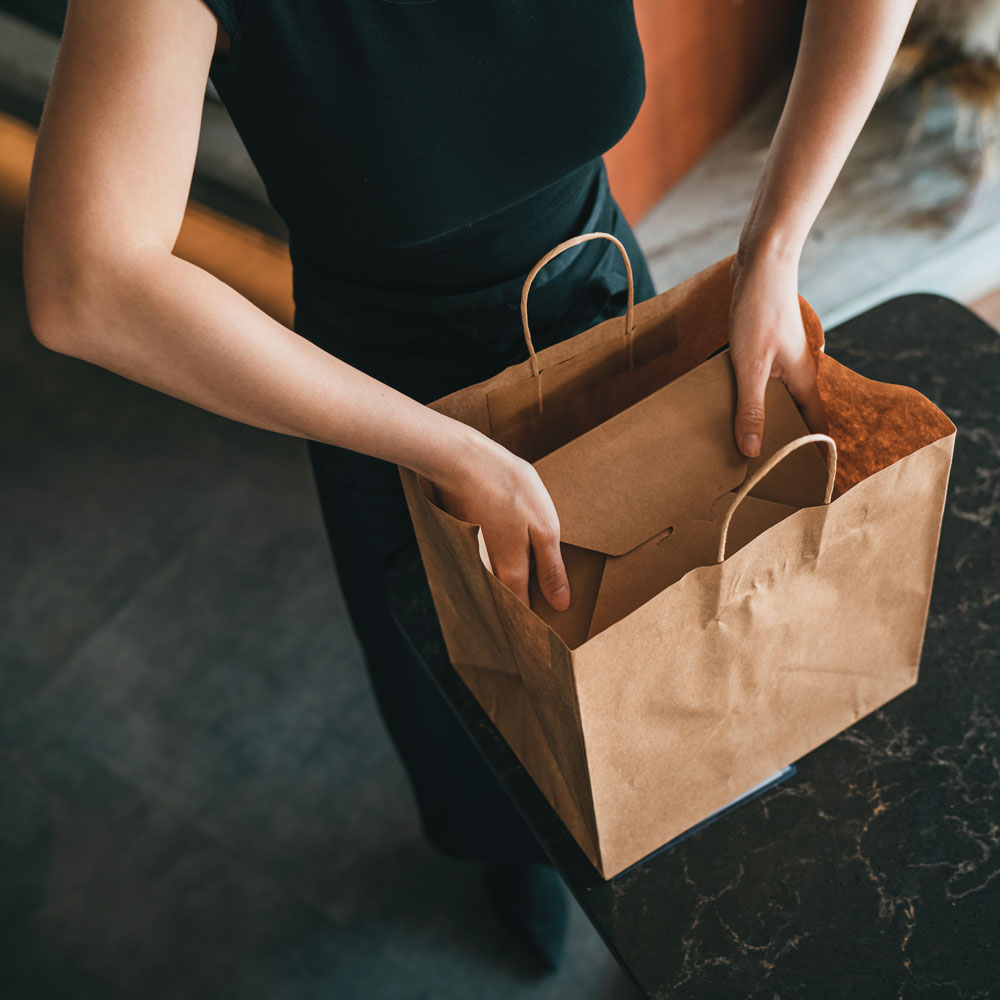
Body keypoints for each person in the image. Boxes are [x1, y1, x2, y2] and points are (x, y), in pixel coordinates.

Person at [22, 0, 918, 975]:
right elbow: (85, 281)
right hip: (393, 402)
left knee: (683, 667)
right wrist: (439, 448)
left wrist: (774, 245)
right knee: (482, 732)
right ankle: (517, 856)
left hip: (607, 311)